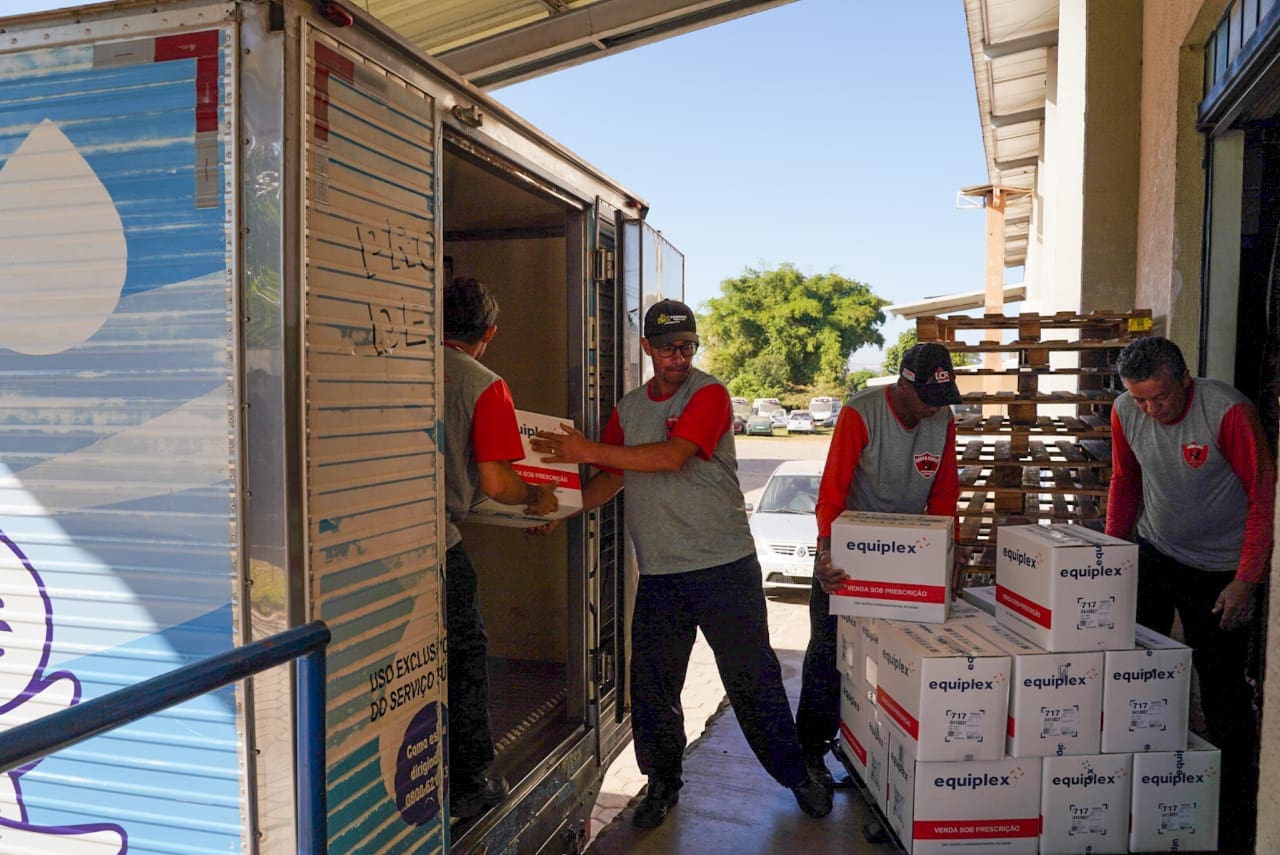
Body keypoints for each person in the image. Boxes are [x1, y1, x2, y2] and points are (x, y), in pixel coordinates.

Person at [530, 298, 832, 829]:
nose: (679, 358)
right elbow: (615, 476)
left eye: (688, 347)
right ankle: (662, 783)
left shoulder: (710, 393)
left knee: (751, 677)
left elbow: (671, 456)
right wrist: (567, 508)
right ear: (647, 348)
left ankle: (796, 774)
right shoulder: (628, 409)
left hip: (724, 566)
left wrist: (587, 449)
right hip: (662, 574)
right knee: (652, 686)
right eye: (669, 348)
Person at [1105, 335, 1274, 853]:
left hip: (1220, 571)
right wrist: (1112, 558)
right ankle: (1146, 789)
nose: (1151, 410)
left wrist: (1246, 579)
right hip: (1157, 550)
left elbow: (1264, 492)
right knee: (1141, 673)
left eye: (1160, 397)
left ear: (1185, 380)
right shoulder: (1125, 411)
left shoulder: (1227, 412)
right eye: (1141, 399)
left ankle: (1236, 816)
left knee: (1222, 690)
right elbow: (1124, 480)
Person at [798, 342, 961, 795]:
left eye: (941, 399)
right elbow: (832, 490)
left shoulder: (942, 419)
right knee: (830, 655)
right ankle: (810, 751)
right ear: (903, 383)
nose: (934, 409)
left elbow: (944, 492)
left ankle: (866, 752)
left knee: (893, 654)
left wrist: (950, 551)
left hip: (911, 552)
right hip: (849, 550)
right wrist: (828, 553)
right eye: (928, 397)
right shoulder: (861, 413)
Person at [441, 277, 559, 820]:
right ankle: (469, 780)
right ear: (489, 332)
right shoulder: (485, 384)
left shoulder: (393, 362)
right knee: (464, 656)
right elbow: (495, 482)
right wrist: (536, 497)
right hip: (438, 546)